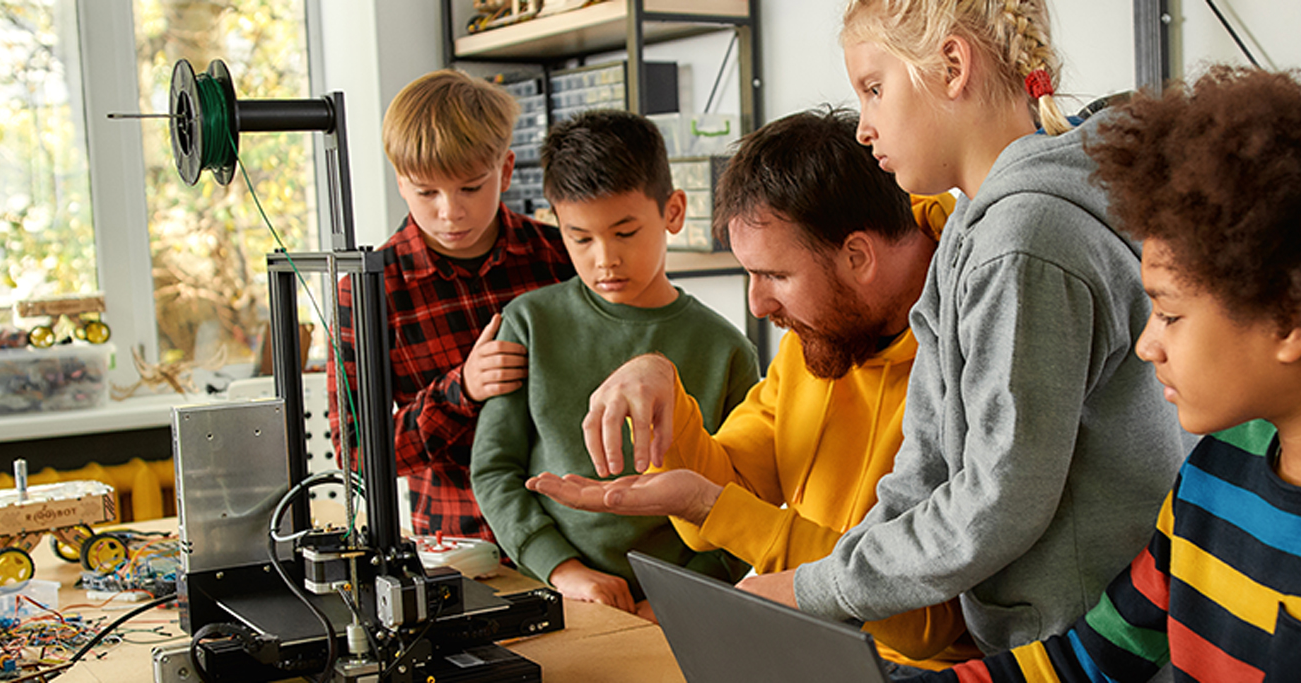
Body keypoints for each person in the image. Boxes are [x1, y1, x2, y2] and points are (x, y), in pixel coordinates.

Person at [912, 67, 1301, 683]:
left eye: (1170, 313)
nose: (1147, 344)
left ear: (1294, 317)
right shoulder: (1217, 473)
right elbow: (1086, 663)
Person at [725, 0, 1192, 655]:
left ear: (951, 66)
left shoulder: (1025, 242)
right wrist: (818, 589)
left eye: (874, 89)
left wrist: (818, 590)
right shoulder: (969, 229)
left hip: (1090, 649)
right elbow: (922, 472)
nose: (863, 128)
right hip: (1025, 640)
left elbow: (999, 500)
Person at [525, 108, 981, 669]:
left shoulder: (969, 347)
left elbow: (921, 624)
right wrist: (663, 389)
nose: (758, 306)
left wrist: (714, 507)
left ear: (858, 256)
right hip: (808, 648)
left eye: (776, 276)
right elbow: (734, 481)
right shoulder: (824, 337)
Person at [469, 110, 759, 616]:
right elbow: (494, 469)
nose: (605, 258)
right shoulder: (529, 323)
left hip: (675, 607)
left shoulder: (726, 349)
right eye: (580, 238)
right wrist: (561, 569)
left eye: (625, 233)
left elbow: (743, 502)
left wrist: (679, 600)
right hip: (555, 590)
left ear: (672, 211)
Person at [327, 69, 576, 541]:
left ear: (504, 170)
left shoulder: (560, 256)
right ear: (401, 182)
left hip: (574, 535)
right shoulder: (366, 292)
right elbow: (356, 455)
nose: (450, 211)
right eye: (426, 192)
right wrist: (461, 390)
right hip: (461, 549)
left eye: (470, 187)